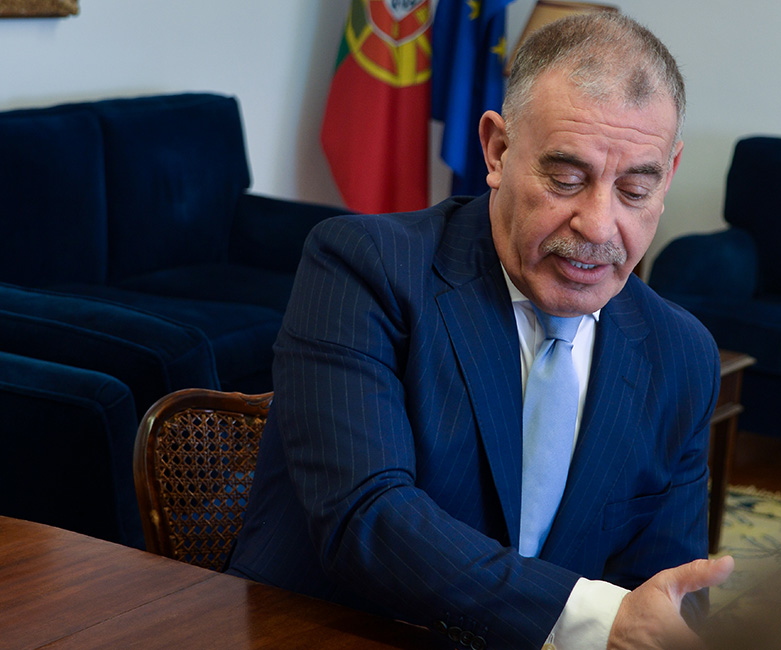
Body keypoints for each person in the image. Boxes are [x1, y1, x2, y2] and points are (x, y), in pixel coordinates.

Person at [227, 11, 733, 650]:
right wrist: (596, 620)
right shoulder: (364, 269)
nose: (600, 225)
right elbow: (367, 519)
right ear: (497, 149)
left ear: (669, 175)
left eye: (635, 190)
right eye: (567, 179)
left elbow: (665, 595)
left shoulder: (681, 354)